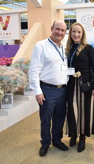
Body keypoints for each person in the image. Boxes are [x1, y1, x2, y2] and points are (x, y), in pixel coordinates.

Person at [29, 20, 69, 157]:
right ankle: (45, 143)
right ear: (52, 28)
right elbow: (33, 70)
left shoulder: (63, 48)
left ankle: (57, 140)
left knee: (59, 117)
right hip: (47, 89)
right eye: (57, 29)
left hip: (63, 90)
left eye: (63, 30)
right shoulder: (41, 46)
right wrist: (37, 91)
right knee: (46, 119)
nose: (60, 32)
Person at [66, 22, 94, 152]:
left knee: (84, 111)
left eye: (79, 32)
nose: (76, 34)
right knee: (72, 110)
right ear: (70, 33)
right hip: (70, 85)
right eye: (74, 31)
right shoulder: (68, 49)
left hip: (85, 86)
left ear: (83, 34)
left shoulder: (89, 48)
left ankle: (83, 137)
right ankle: (73, 134)